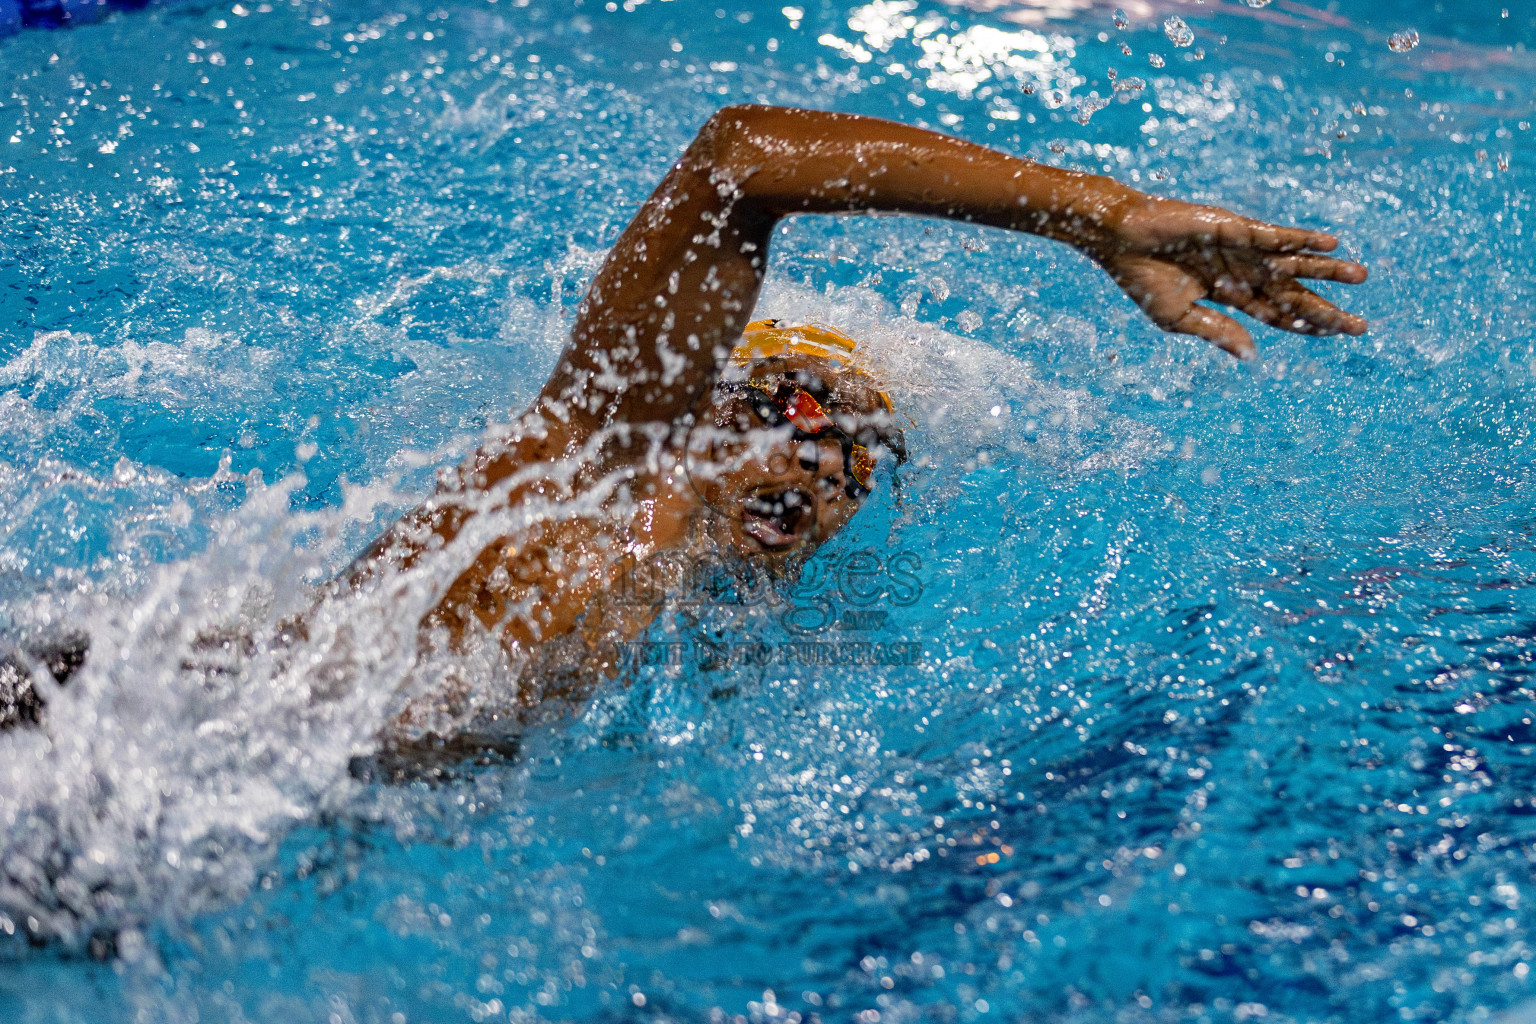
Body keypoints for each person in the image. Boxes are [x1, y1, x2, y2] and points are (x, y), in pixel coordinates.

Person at [0, 105, 1368, 760]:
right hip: (121, 734)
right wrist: (1098, 215)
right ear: (702, 401)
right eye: (787, 408)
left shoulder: (715, 632)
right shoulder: (603, 456)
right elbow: (740, 158)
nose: (815, 457)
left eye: (857, 451)